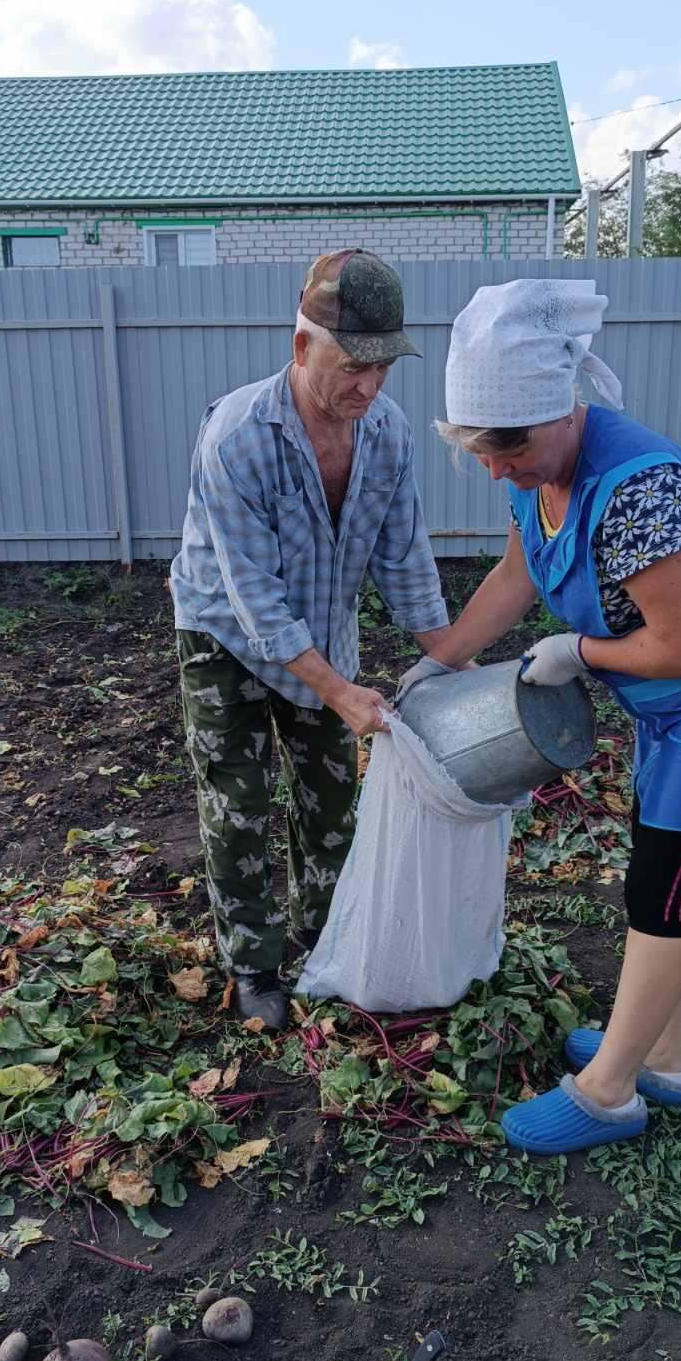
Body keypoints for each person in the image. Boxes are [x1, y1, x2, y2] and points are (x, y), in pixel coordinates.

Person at [401, 279, 681, 1155]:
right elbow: (520, 572)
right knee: (674, 875)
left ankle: (609, 1092)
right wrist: (442, 655)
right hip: (671, 703)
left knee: (658, 890)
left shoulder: (639, 491)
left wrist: (579, 654)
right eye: (477, 448)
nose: (494, 467)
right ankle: (665, 1057)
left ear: (565, 408)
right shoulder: (534, 473)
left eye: (508, 445)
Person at [171, 249, 451, 1030]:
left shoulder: (386, 434)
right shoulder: (237, 438)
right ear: (302, 348)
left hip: (324, 632)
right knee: (240, 801)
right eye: (353, 364)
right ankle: (255, 964)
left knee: (330, 803)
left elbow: (404, 559)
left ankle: (326, 939)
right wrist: (337, 691)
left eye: (383, 368)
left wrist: (451, 661)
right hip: (221, 635)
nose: (369, 385)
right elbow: (254, 598)